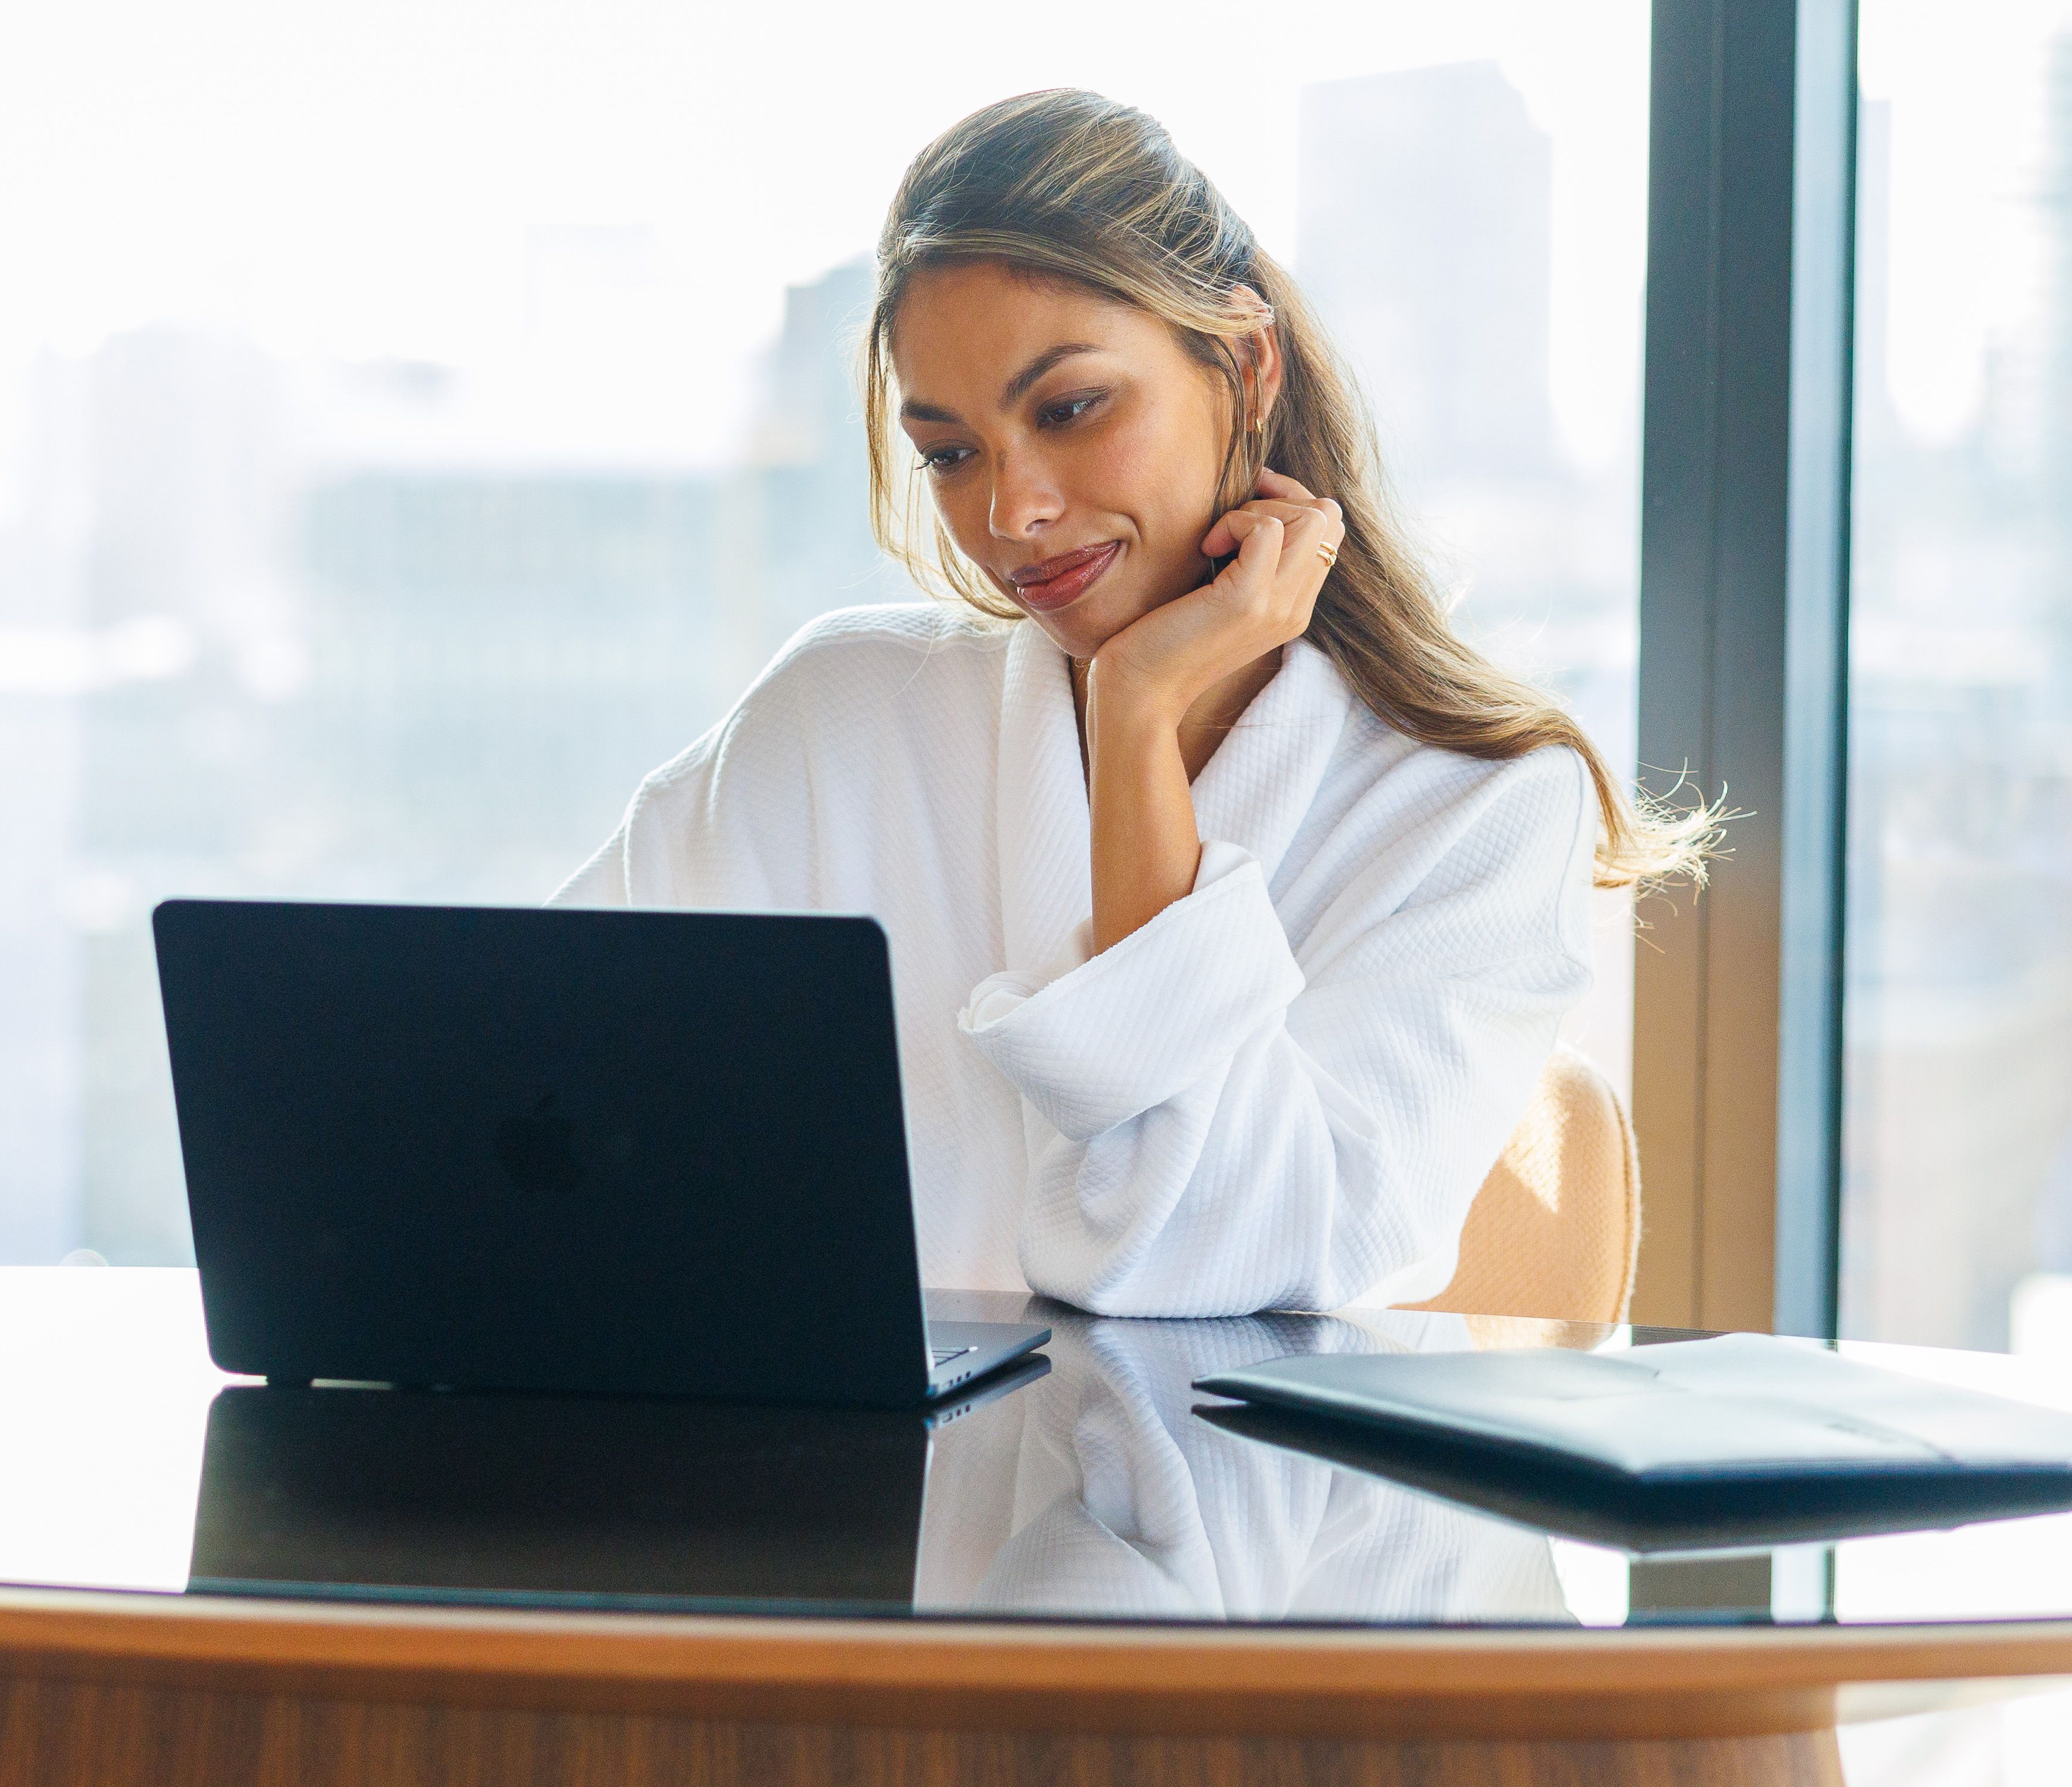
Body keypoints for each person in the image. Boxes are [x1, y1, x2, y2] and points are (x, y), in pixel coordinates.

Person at [563, 90, 1702, 1315]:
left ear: (1246, 364)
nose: (1013, 511)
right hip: (815, 1494)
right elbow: (528, 1085)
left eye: (1069, 410)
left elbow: (1202, 1254)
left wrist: (1138, 712)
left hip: (1248, 1505)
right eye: (951, 452)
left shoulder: (1478, 811)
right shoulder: (839, 718)